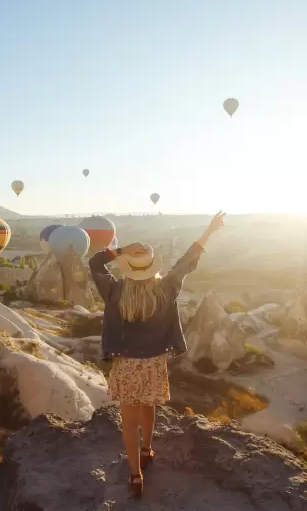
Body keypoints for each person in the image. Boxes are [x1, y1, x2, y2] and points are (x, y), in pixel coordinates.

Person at [88, 211, 226, 497]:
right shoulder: (166, 289)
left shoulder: (113, 291)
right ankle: (148, 448)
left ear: (128, 266)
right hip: (153, 363)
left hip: (126, 364)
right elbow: (187, 261)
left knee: (128, 422)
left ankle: (135, 474)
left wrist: (122, 250)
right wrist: (209, 231)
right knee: (149, 406)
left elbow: (95, 263)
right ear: (152, 266)